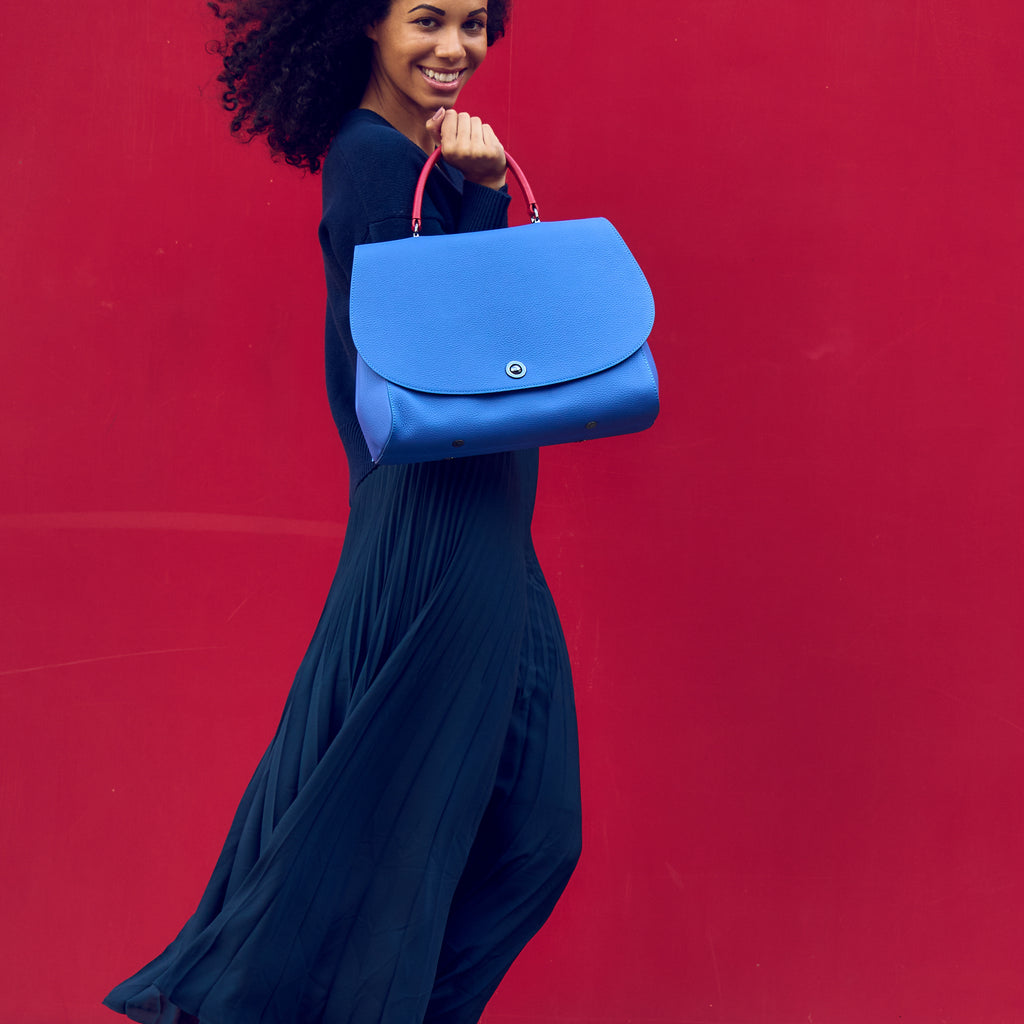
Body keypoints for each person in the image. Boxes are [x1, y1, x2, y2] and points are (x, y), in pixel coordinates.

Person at [103, 1, 582, 1022]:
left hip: (489, 529)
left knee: (529, 834)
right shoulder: (371, 161)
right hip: (438, 524)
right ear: (365, 24)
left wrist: (471, 188)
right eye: (427, 20)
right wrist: (485, 196)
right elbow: (437, 356)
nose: (454, 48)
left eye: (473, 24)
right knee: (394, 840)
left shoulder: (420, 161)